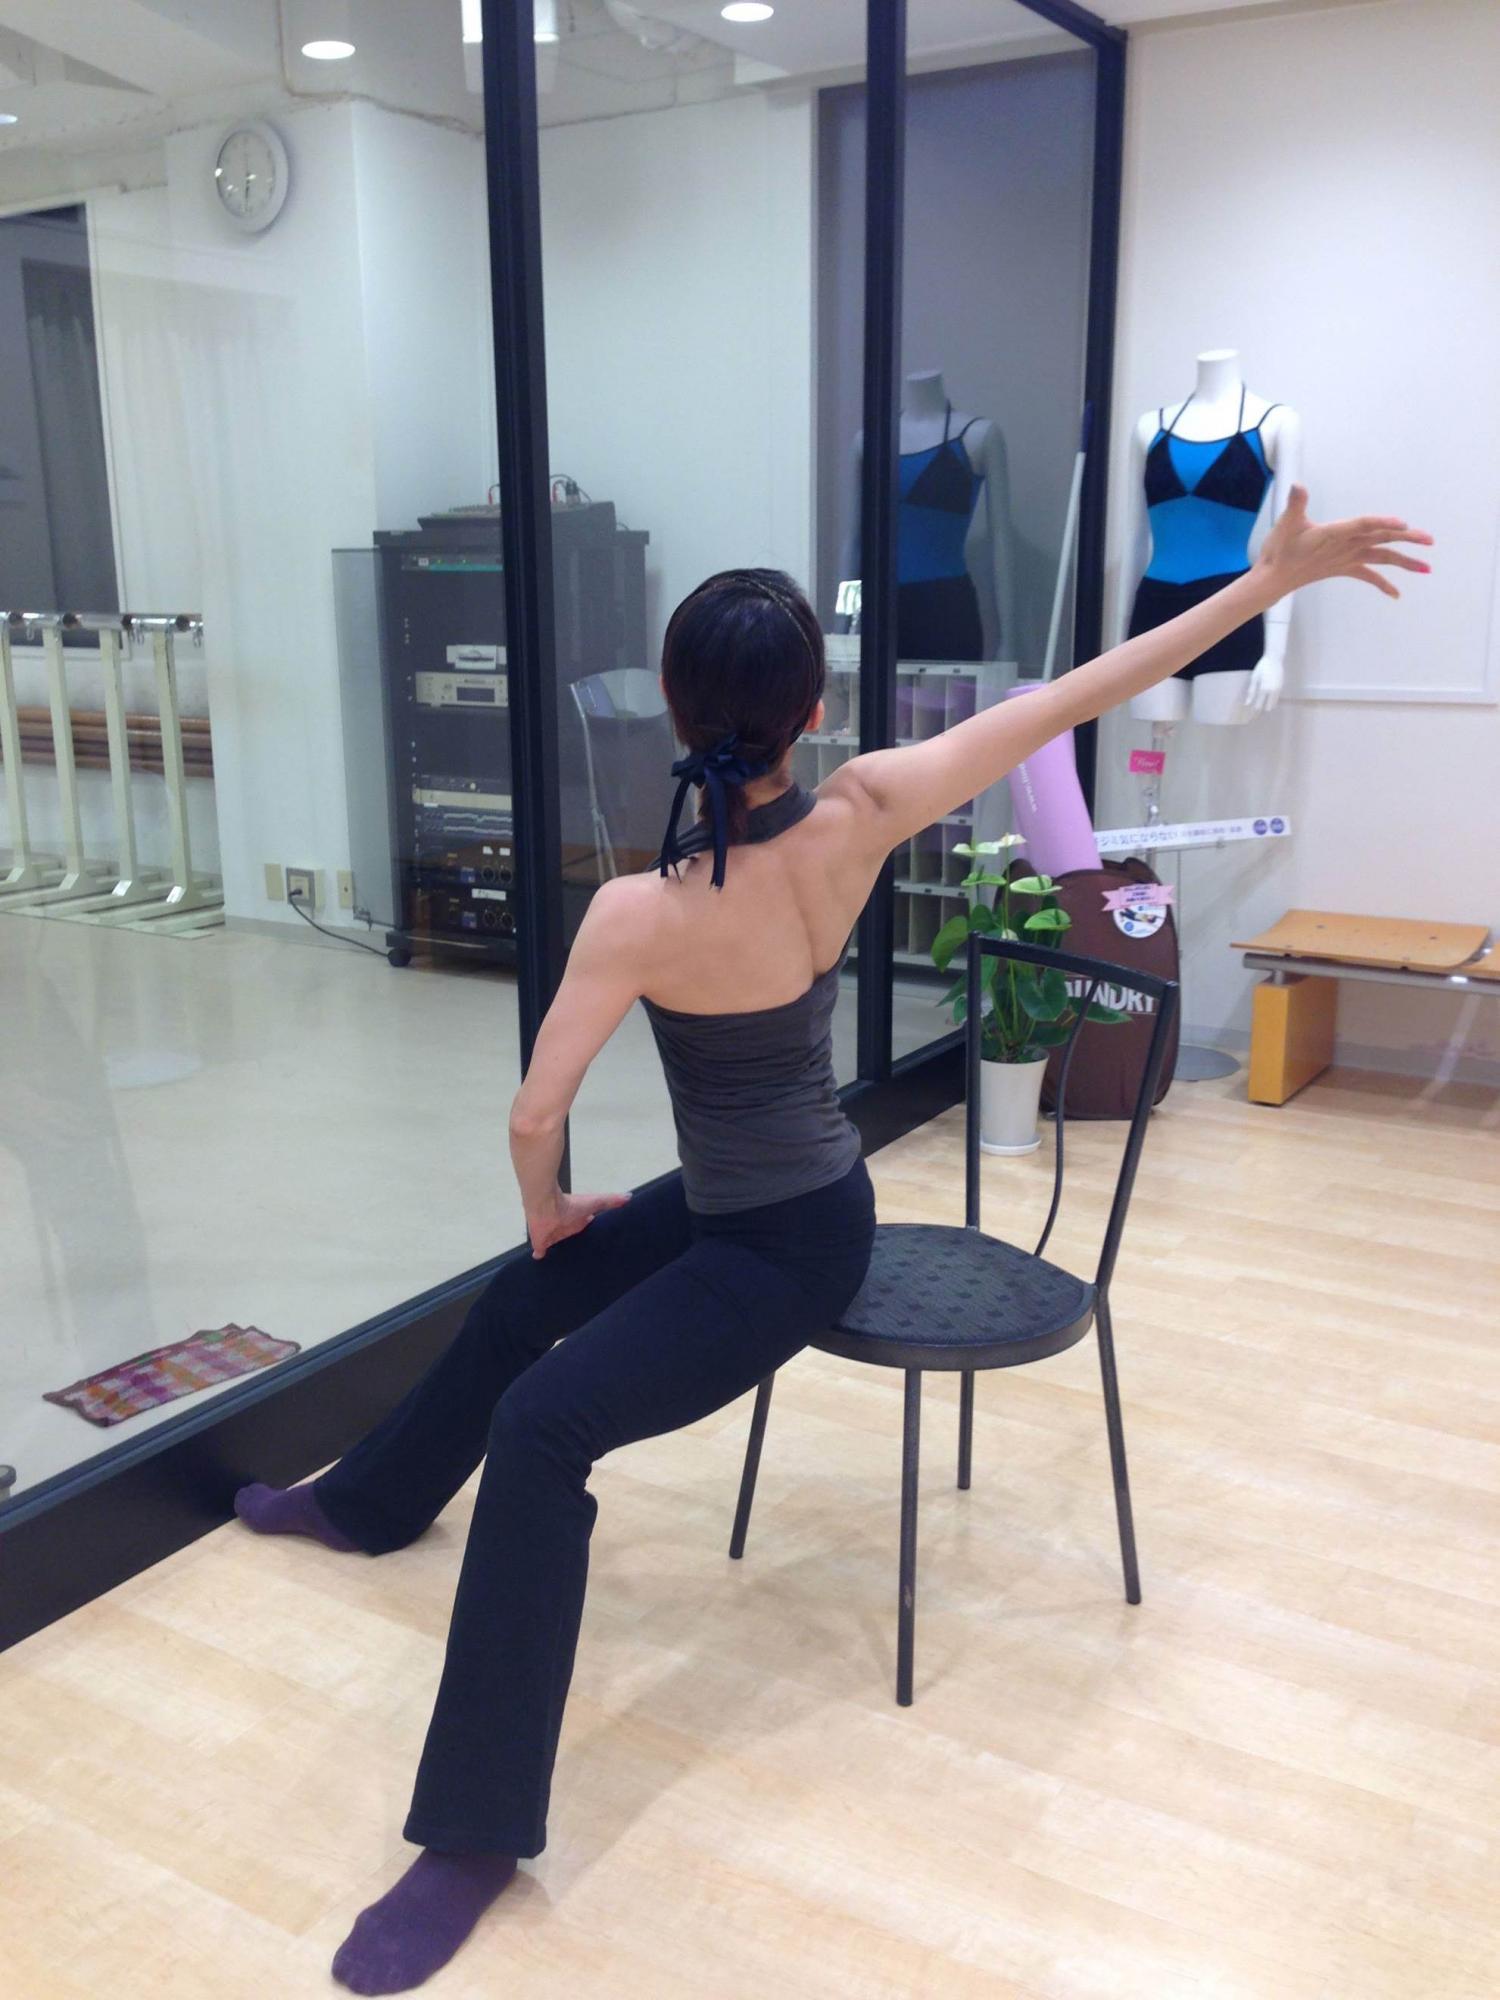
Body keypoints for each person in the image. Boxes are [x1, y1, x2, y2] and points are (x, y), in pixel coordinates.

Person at [233, 487, 1429, 1994]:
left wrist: (547, 1203)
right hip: (802, 1211)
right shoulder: (867, 809)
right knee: (517, 1304)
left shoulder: (639, 911)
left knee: (543, 1425)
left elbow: (536, 1115)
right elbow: (1079, 691)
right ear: (810, 714)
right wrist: (1264, 585)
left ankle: (471, 1837)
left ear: (674, 711)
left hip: (775, 1261)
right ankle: (373, 1503)